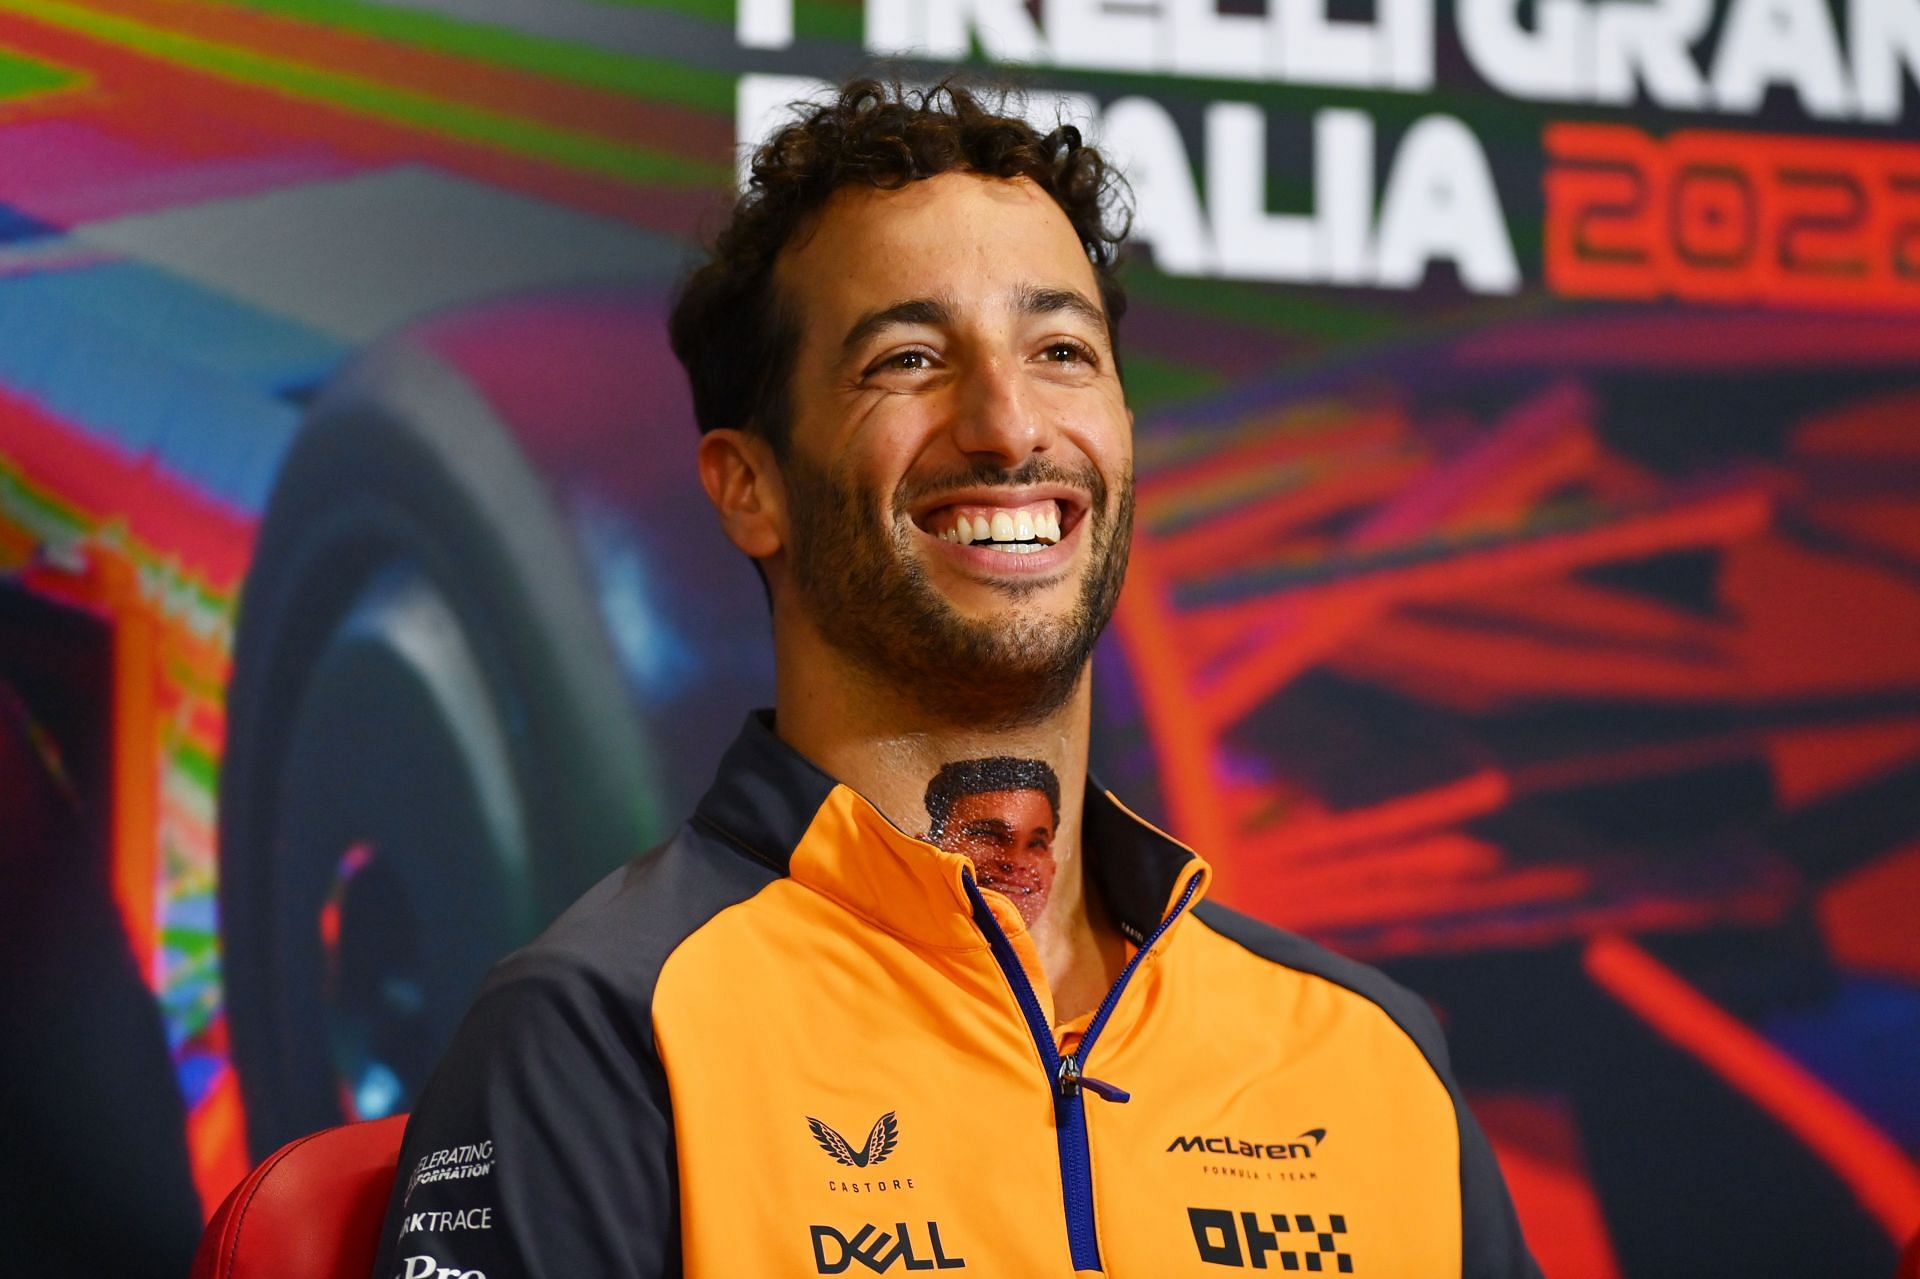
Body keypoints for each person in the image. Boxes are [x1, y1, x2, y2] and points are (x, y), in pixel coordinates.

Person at [372, 77, 1541, 1277]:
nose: (1007, 421)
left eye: (1062, 351)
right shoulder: (604, 1034)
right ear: (747, 486)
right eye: (912, 357)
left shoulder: (1370, 1058)